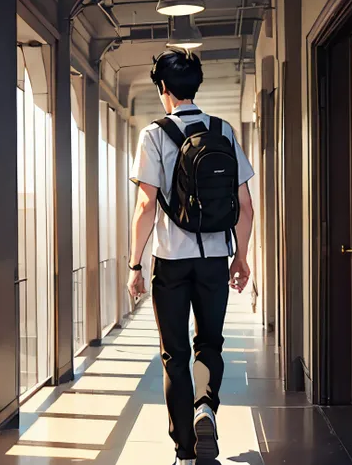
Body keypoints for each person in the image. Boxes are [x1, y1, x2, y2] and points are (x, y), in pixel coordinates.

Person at [127, 48, 254, 465]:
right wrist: (241, 258)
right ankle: (206, 407)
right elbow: (246, 207)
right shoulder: (224, 131)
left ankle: (184, 450)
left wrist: (134, 265)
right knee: (210, 343)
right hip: (216, 258)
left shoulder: (153, 135)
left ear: (163, 88)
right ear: (195, 86)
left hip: (171, 261)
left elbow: (146, 207)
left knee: (174, 353)